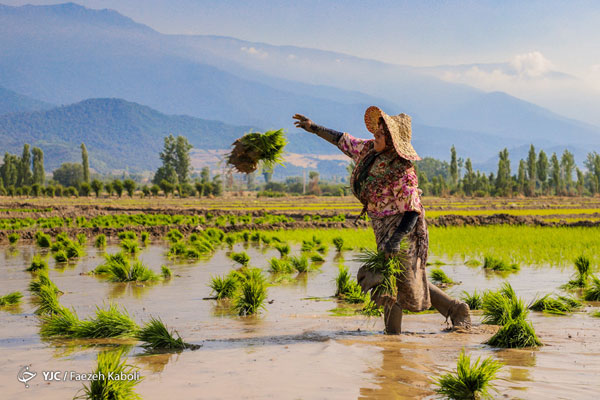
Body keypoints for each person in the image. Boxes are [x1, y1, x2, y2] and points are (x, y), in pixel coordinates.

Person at [292, 107, 471, 334]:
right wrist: (314, 128)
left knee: (399, 279)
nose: (375, 135)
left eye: (381, 133)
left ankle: (394, 334)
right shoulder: (369, 150)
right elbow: (342, 140)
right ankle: (451, 311)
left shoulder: (403, 171)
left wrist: (395, 240)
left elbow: (413, 210)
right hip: (382, 227)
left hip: (404, 229)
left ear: (393, 140)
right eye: (376, 131)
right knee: (400, 279)